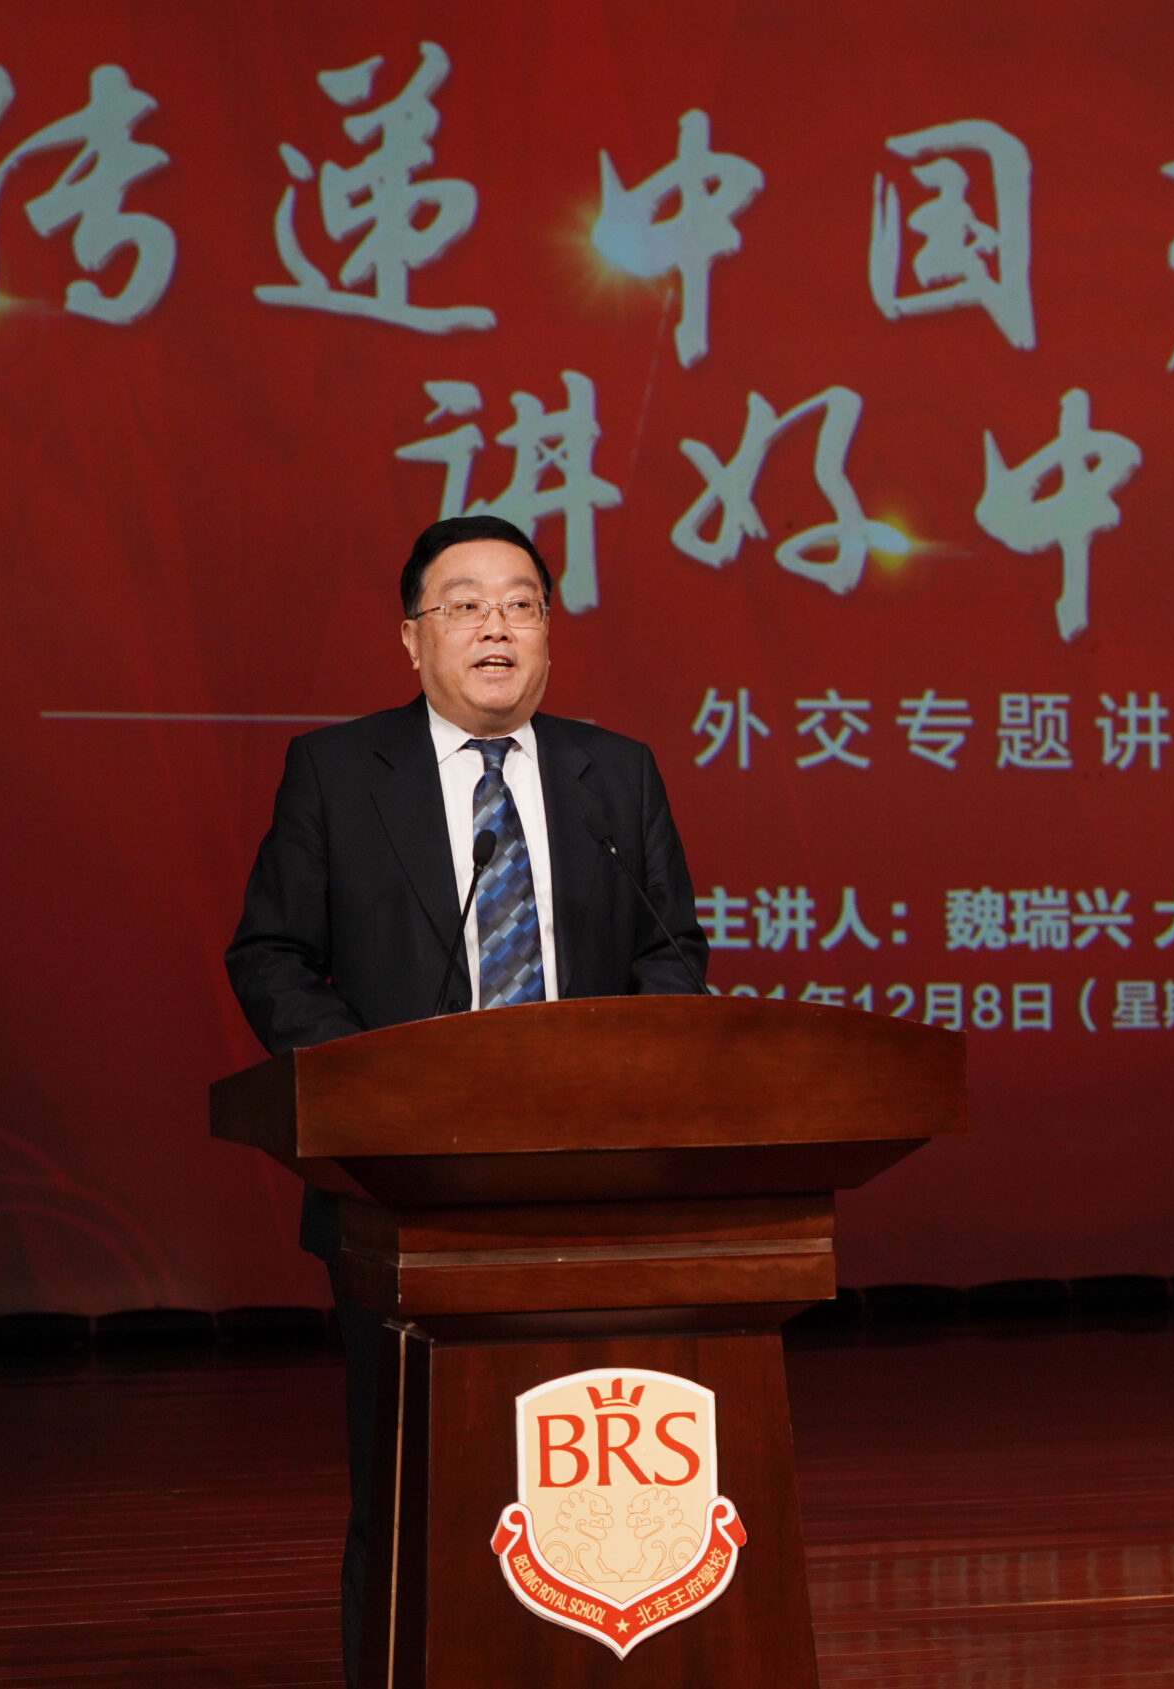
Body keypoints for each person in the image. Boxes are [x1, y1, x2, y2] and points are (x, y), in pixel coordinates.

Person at [225, 513, 711, 1685]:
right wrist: (371, 1087)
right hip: (403, 1191)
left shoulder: (614, 774)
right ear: (412, 638)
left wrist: (626, 1075)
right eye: (465, 605)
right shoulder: (338, 772)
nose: (496, 627)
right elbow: (272, 955)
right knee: (413, 1486)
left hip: (592, 1194)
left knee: (590, 1488)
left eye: (520, 604)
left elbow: (669, 952)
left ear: (548, 632)